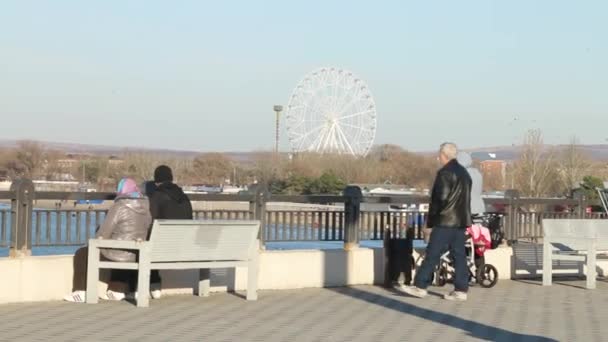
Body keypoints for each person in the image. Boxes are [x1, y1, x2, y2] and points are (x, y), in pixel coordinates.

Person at [400, 142, 472, 301]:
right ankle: (461, 289)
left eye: (439, 154)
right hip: (460, 221)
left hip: (445, 221)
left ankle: (420, 286)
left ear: (444, 155)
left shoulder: (445, 173)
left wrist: (430, 221)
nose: (437, 157)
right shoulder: (464, 174)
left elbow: (439, 199)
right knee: (459, 255)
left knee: (432, 253)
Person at [64, 178, 152, 303]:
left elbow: (103, 233)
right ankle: (118, 290)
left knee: (82, 253)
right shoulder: (146, 208)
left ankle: (81, 291)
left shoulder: (119, 206)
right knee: (126, 251)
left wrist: (96, 236)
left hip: (118, 253)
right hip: (137, 253)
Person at [147, 165, 193, 299]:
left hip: (163, 247)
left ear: (157, 180)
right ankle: (154, 287)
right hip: (184, 246)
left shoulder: (156, 196)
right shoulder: (184, 197)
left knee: (144, 245)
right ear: (171, 179)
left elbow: (151, 220)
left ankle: (152, 285)